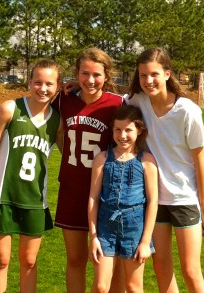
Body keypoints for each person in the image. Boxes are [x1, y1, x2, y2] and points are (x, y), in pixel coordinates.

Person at [125, 47, 204, 293]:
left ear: (167, 74)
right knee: (161, 266)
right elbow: (107, 97)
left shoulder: (187, 111)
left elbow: (200, 162)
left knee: (190, 270)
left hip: (185, 200)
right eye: (143, 75)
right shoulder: (137, 101)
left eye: (153, 74)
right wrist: (74, 88)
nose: (148, 81)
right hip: (154, 201)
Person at [52, 47, 126, 292]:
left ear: (107, 76)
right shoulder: (64, 99)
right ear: (77, 73)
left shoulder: (118, 104)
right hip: (72, 189)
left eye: (96, 74)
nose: (90, 80)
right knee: (75, 259)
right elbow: (43, 115)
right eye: (84, 74)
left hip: (107, 193)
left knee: (108, 264)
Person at [0, 59, 63, 293]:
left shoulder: (58, 121)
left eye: (49, 84)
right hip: (2, 197)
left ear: (58, 87)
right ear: (29, 82)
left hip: (34, 201)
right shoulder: (10, 109)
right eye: (38, 82)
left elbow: (70, 156)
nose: (43, 88)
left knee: (29, 262)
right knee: (1, 261)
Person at [88, 105, 158, 293]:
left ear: (139, 130)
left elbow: (152, 202)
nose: (122, 135)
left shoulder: (147, 161)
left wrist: (145, 242)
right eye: (118, 129)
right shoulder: (102, 159)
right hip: (105, 229)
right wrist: (93, 236)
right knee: (102, 287)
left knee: (133, 287)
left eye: (128, 130)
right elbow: (93, 198)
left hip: (134, 230)